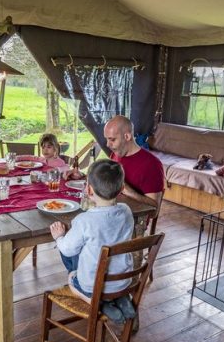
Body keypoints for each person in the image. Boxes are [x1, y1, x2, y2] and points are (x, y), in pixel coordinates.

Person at [49, 159, 136, 323]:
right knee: (85, 248)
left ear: (88, 189)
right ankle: (119, 299)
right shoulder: (126, 211)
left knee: (71, 274)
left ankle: (99, 304)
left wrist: (59, 237)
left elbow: (67, 250)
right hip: (122, 282)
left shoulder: (85, 220)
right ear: (122, 189)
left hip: (93, 287)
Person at [103, 115, 165, 208]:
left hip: (133, 219)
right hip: (113, 211)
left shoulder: (152, 165)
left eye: (112, 139)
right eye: (106, 139)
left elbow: (154, 211)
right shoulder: (115, 154)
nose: (107, 144)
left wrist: (128, 191)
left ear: (127, 136)